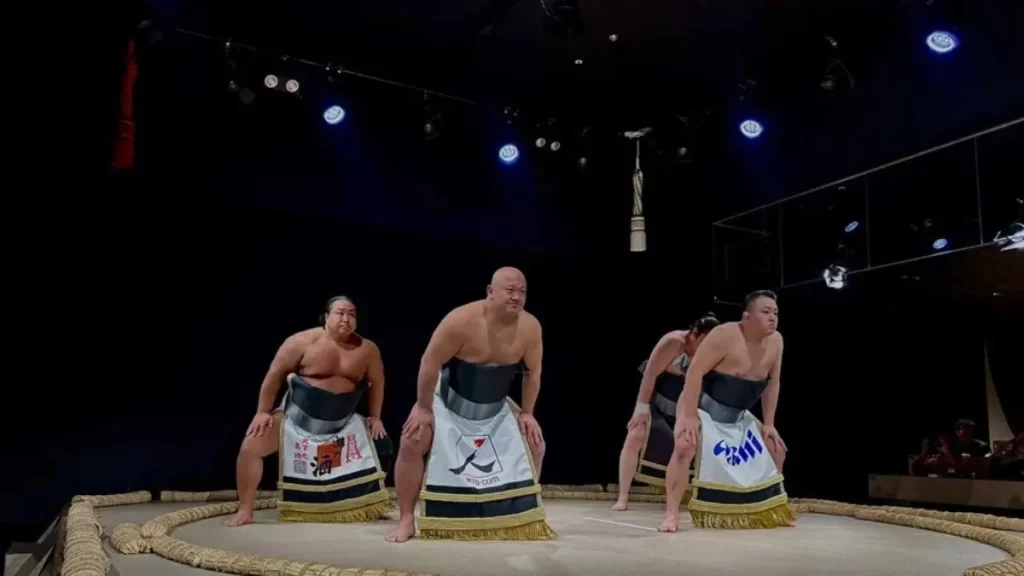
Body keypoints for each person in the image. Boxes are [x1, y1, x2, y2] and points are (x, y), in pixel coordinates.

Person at [385, 267, 555, 543]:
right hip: (449, 400)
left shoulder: (531, 327)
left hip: (495, 407)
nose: (516, 297)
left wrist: (527, 413)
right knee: (413, 440)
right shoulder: (461, 320)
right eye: (510, 290)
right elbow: (429, 363)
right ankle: (406, 519)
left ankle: (518, 514)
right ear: (490, 292)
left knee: (535, 444)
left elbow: (533, 374)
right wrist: (424, 408)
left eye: (522, 291)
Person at [224, 296, 393, 527]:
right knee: (251, 446)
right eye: (340, 313)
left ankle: (364, 503)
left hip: (343, 424)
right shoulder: (300, 342)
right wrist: (262, 412)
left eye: (352, 314)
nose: (346, 318)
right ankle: (245, 509)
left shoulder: (368, 349)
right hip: (296, 419)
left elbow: (377, 383)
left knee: (383, 446)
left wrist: (375, 416)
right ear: (326, 316)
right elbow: (273, 377)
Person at [658, 290, 795, 532]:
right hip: (701, 406)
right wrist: (689, 416)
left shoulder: (777, 342)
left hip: (737, 415)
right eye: (765, 312)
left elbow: (773, 383)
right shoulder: (724, 335)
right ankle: (671, 514)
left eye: (775, 312)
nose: (773, 317)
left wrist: (769, 424)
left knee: (776, 449)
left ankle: (770, 508)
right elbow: (694, 372)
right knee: (684, 446)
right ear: (747, 317)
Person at [611, 313, 720, 511]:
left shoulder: (714, 352)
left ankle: (693, 497)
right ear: (694, 334)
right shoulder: (673, 342)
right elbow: (650, 374)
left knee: (693, 445)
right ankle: (623, 497)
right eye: (704, 341)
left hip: (690, 409)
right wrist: (640, 411)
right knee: (635, 434)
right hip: (660, 403)